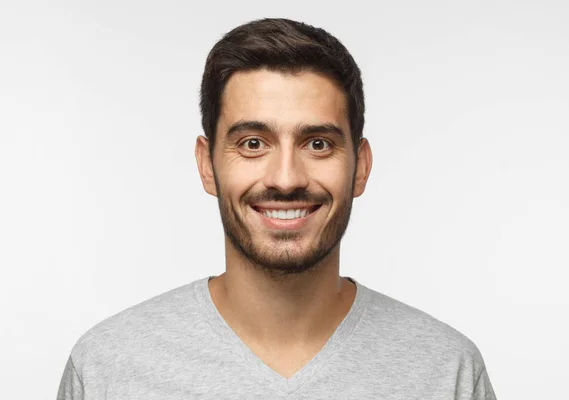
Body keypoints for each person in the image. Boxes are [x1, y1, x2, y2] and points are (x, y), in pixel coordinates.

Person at [57, 18, 496, 399]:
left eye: (318, 144)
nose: (286, 179)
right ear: (207, 166)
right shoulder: (106, 368)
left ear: (360, 167)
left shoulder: (447, 371)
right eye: (253, 143)